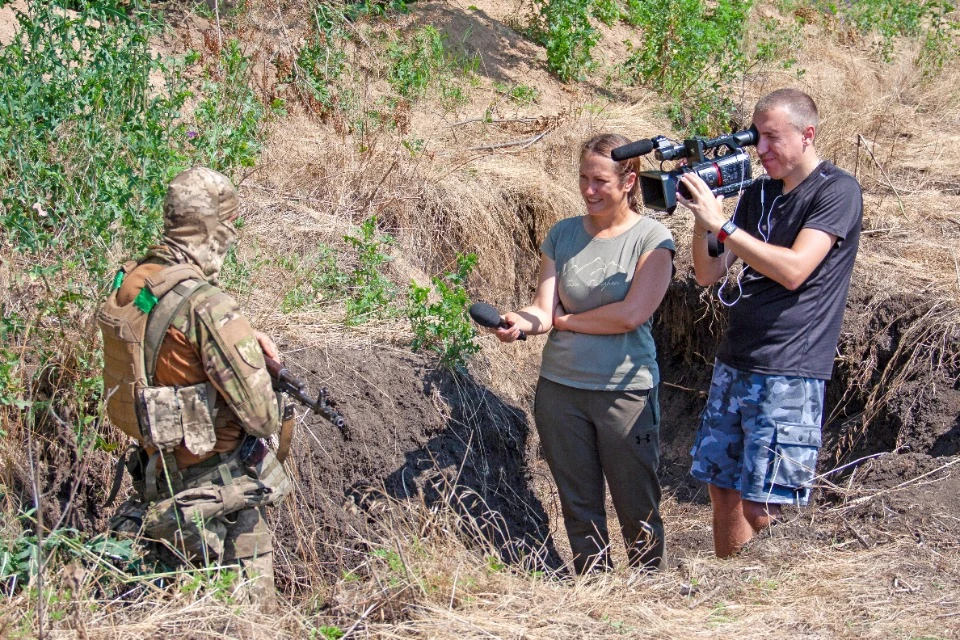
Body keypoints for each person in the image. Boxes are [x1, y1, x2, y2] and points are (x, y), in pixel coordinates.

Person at [677, 88, 863, 557]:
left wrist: (724, 226)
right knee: (723, 489)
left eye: (772, 138)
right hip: (736, 360)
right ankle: (732, 585)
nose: (760, 149)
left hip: (789, 368)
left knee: (766, 506)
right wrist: (703, 216)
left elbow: (795, 269)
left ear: (807, 135)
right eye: (756, 137)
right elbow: (708, 273)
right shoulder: (758, 193)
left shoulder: (836, 191)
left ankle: (783, 587)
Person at [98, 167, 291, 609]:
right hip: (215, 496)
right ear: (216, 229)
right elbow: (262, 418)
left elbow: (162, 354)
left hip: (155, 479)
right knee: (250, 623)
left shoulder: (132, 282)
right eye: (231, 226)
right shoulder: (207, 305)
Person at [495, 134, 675, 574]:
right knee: (578, 503)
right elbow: (543, 309)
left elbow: (630, 315)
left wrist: (566, 322)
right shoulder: (563, 234)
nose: (589, 190)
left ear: (629, 181)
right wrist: (520, 322)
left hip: (624, 394)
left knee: (637, 502)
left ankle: (650, 586)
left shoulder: (652, 238)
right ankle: (592, 585)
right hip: (560, 390)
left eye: (600, 181)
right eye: (583, 178)